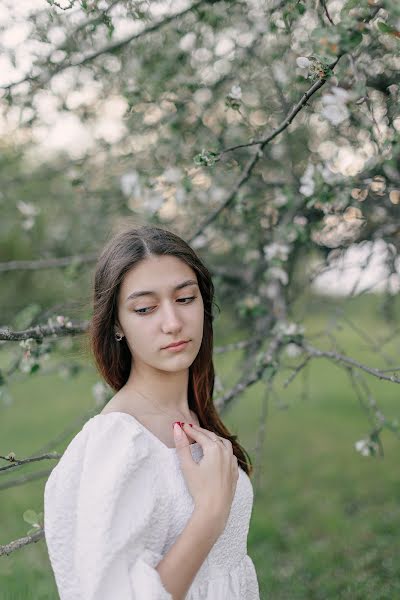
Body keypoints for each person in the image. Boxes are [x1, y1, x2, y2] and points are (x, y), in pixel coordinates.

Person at [44, 224, 260, 599]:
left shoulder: (194, 413)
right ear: (116, 324)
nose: (173, 323)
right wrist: (209, 514)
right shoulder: (118, 443)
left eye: (185, 299)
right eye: (145, 308)